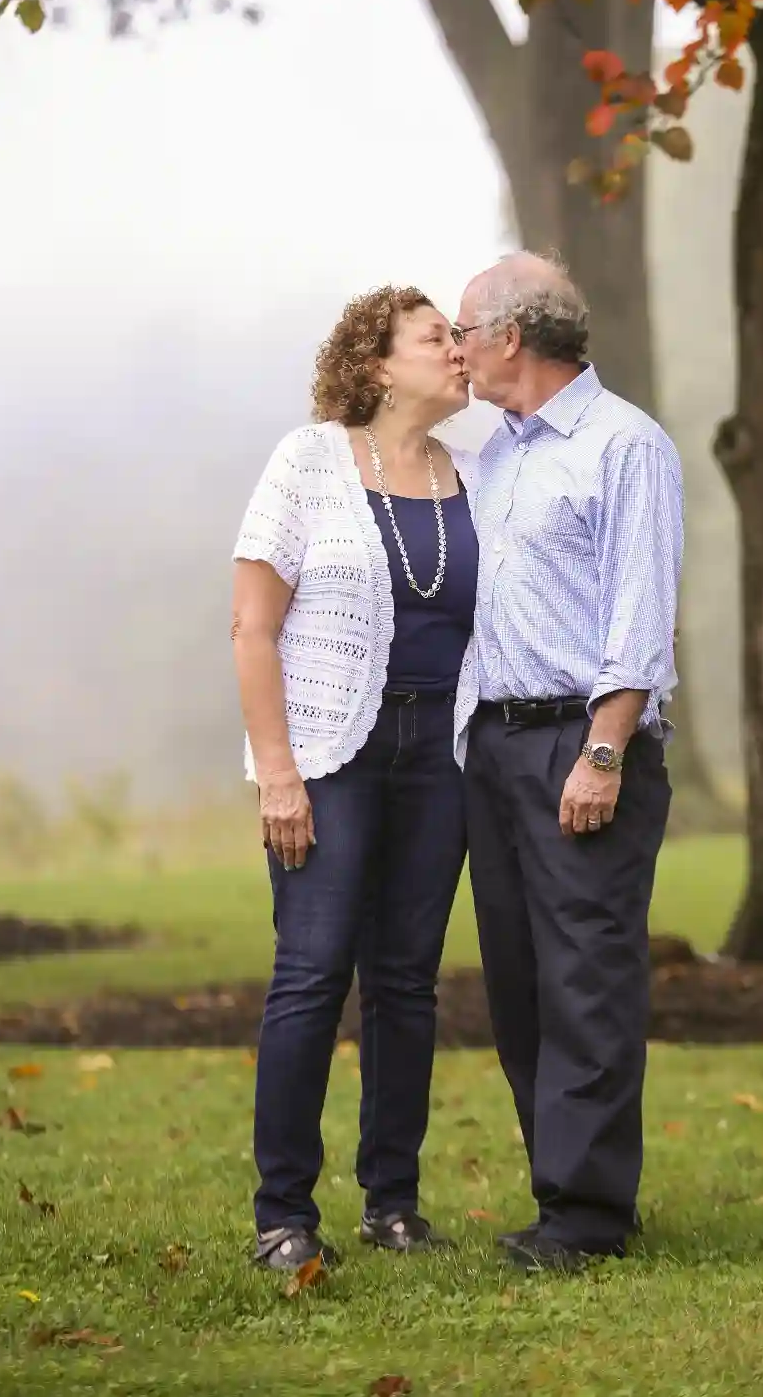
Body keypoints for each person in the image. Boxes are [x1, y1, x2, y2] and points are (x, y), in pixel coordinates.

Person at [231, 286, 478, 1272]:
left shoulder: (475, 470)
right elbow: (252, 626)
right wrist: (278, 775)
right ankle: (282, 1215)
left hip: (440, 759)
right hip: (331, 754)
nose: (459, 350)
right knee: (313, 970)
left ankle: (393, 1204)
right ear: (377, 363)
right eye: (436, 337)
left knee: (407, 982)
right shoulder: (309, 461)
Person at [452, 252, 684, 1271]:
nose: (455, 349)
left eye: (463, 330)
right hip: (496, 746)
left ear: (511, 336)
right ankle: (562, 1194)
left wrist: (603, 750)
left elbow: (641, 611)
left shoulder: (624, 445)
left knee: (586, 977)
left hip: (582, 741)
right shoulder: (496, 457)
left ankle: (588, 1220)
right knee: (520, 984)